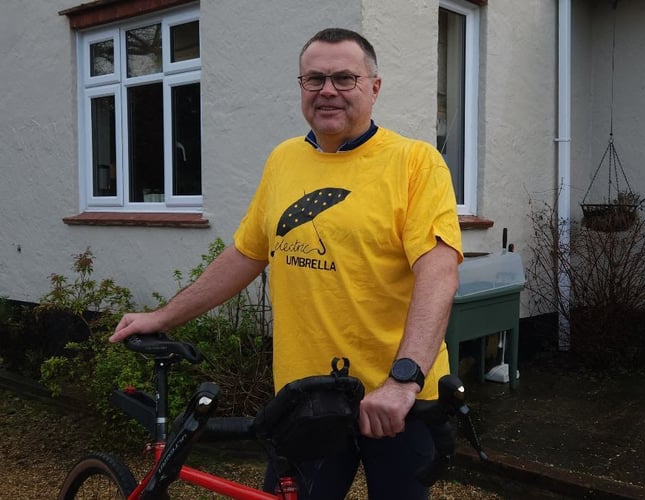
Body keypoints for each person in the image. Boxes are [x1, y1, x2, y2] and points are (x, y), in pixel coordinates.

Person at [110, 27, 463, 499]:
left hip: (397, 399)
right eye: (314, 79)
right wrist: (163, 316)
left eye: (345, 78)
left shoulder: (415, 163)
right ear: (301, 87)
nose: (328, 91)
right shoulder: (284, 160)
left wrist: (405, 378)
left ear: (374, 87)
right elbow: (246, 254)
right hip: (306, 398)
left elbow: (438, 270)